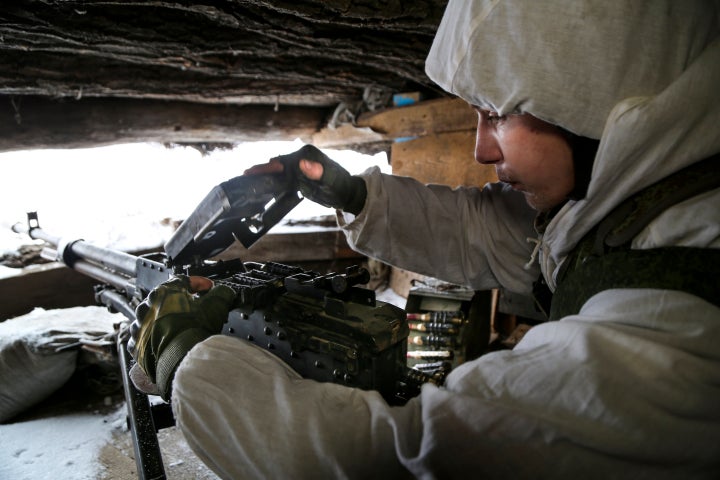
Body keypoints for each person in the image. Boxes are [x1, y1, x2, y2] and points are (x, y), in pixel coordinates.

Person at [128, 0, 720, 478]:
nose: (481, 149)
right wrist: (351, 194)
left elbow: (395, 457)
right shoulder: (652, 208)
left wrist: (188, 363)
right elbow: (494, 233)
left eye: (498, 114)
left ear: (593, 101)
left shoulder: (672, 337)